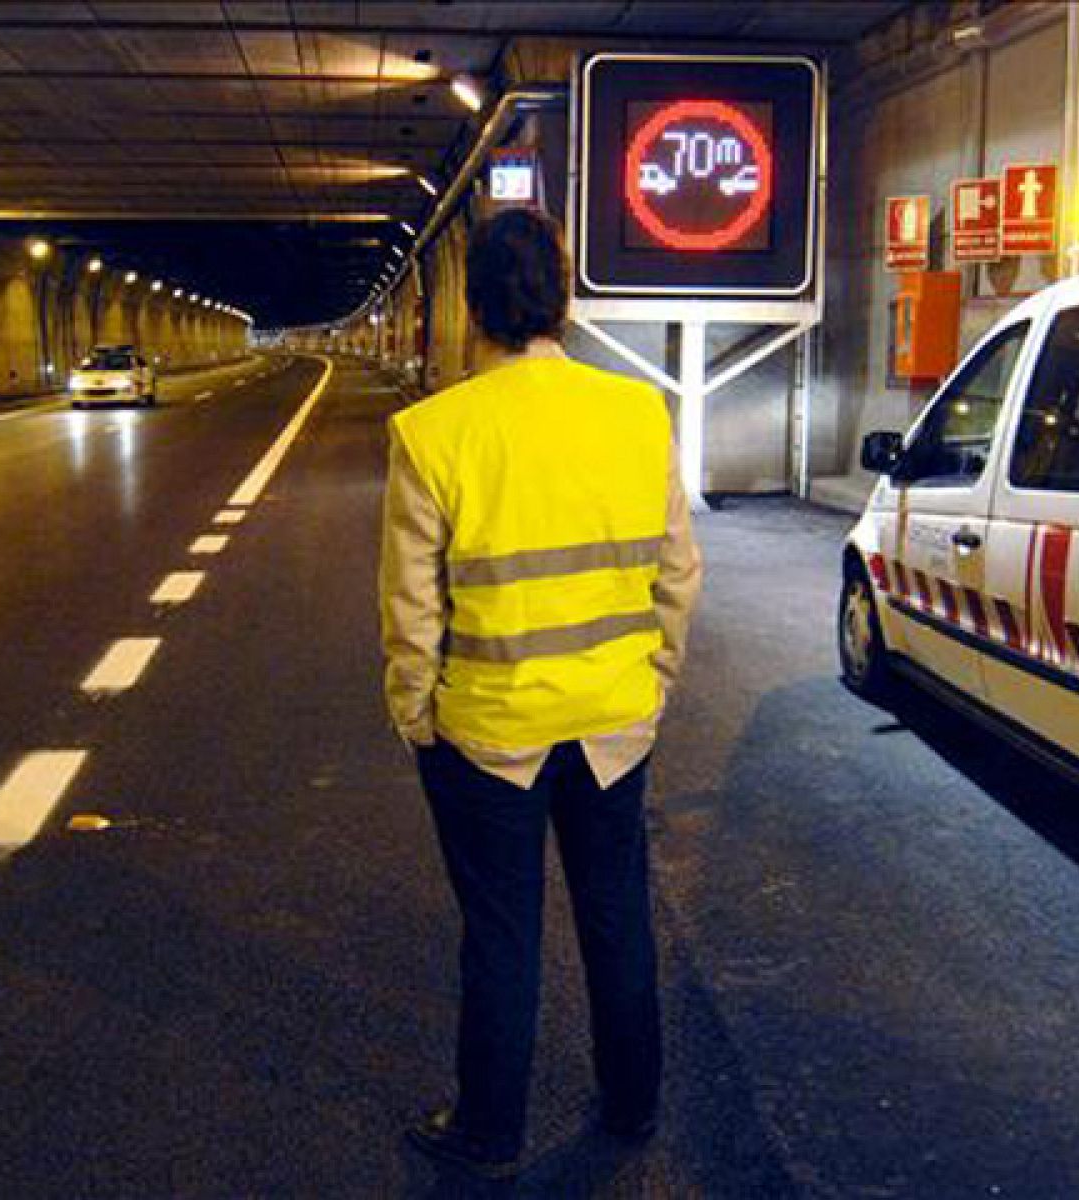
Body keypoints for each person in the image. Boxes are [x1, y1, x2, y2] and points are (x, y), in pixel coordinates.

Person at [379, 207, 702, 1179]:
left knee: (502, 935)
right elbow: (676, 573)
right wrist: (652, 682)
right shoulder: (636, 413)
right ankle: (634, 1105)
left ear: (471, 305)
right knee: (615, 916)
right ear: (564, 297)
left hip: (486, 737)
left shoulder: (434, 433)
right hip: (611, 721)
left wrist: (415, 714)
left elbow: (410, 606)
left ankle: (489, 1130)